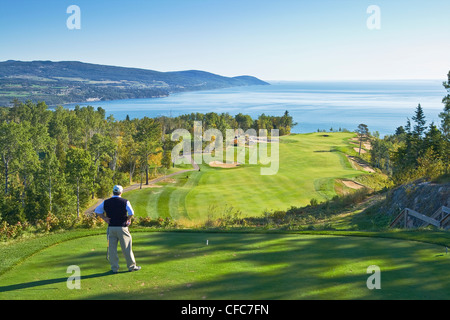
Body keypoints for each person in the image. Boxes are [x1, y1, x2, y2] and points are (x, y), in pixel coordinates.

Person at [95, 185, 141, 273]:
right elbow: (131, 212)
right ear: (121, 192)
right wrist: (128, 219)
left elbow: (97, 210)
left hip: (111, 228)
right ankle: (131, 267)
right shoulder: (125, 201)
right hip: (122, 228)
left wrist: (104, 218)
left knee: (112, 249)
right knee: (126, 248)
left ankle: (114, 268)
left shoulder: (106, 202)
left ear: (113, 192)